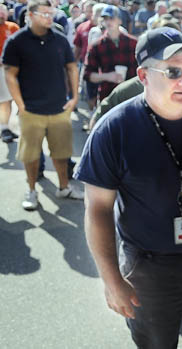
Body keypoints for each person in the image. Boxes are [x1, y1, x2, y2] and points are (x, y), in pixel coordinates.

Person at [76, 27, 182, 348]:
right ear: (143, 75)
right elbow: (98, 209)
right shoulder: (113, 130)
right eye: (172, 71)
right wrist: (112, 279)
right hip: (149, 270)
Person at [4, 0, 82, 210]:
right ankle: (31, 190)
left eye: (51, 13)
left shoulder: (59, 39)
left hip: (59, 109)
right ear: (30, 14)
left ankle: (64, 187)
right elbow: (10, 74)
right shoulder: (16, 41)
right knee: (30, 156)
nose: (49, 17)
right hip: (31, 110)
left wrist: (74, 98)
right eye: (44, 13)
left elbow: (72, 67)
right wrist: (20, 104)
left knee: (62, 153)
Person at [84, 5, 137, 103]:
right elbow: (87, 74)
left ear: (120, 21)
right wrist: (107, 76)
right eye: (105, 19)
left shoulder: (133, 43)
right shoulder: (96, 46)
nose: (108, 22)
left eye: (112, 18)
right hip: (108, 96)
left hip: (132, 97)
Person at [0, 5, 20, 143]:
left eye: (3, 13)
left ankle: (5, 127)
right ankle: (4, 128)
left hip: (10, 69)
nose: (1, 15)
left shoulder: (13, 28)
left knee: (8, 100)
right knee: (4, 101)